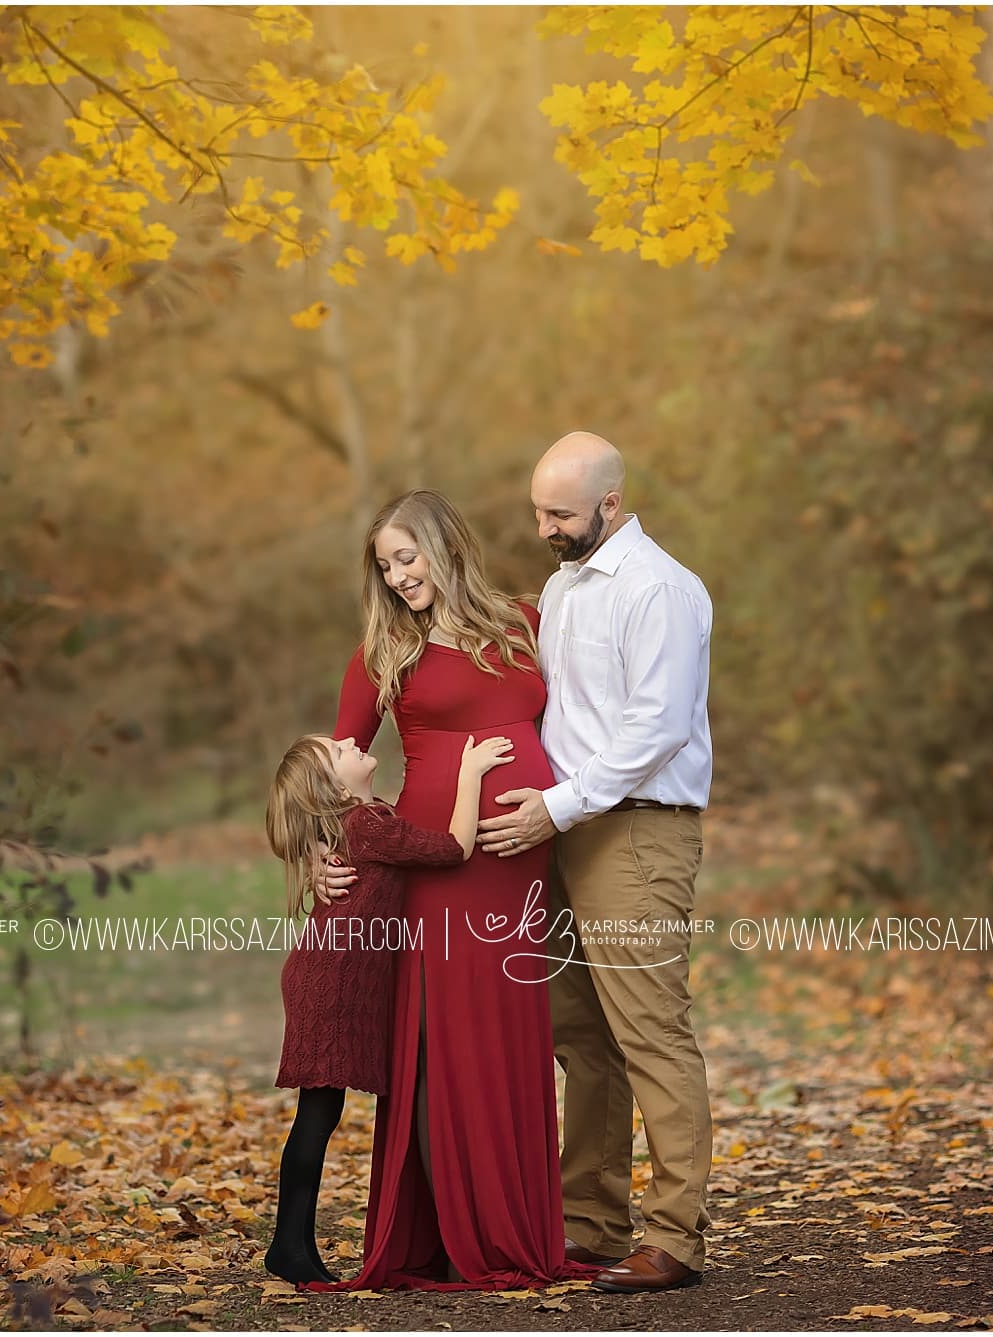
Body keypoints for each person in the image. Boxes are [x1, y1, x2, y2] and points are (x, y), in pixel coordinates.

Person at [305, 489, 607, 1292]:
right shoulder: (383, 651)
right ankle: (452, 1230)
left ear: (445, 545)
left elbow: (589, 714)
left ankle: (513, 1222)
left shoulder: (526, 621)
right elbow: (332, 766)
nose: (399, 576)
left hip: (522, 860)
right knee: (447, 1038)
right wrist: (314, 854)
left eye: (407, 556)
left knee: (513, 1030)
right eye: (385, 565)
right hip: (439, 868)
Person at [477, 431, 716, 1294]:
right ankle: (591, 1222)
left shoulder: (659, 589)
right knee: (579, 1033)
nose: (546, 527)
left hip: (638, 829)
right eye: (538, 511)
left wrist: (558, 804)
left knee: (651, 1030)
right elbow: (556, 715)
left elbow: (655, 730)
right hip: (566, 827)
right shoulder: (562, 583)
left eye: (562, 514)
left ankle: (676, 1236)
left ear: (611, 504)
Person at [262, 729, 513, 1285]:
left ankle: (292, 1245)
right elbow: (454, 848)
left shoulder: (366, 820)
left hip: (328, 975)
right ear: (332, 788)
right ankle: (289, 1248)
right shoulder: (366, 824)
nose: (351, 740)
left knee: (319, 1113)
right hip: (331, 983)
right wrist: (469, 775)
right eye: (337, 751)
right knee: (317, 1114)